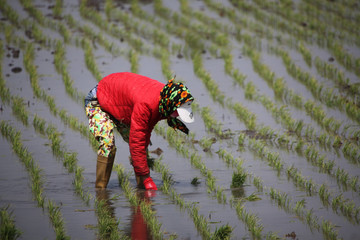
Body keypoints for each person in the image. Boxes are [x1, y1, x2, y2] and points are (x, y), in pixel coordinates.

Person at [84, 72, 194, 190]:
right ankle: (100, 192)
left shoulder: (166, 99)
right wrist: (146, 177)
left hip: (121, 106)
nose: (177, 116)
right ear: (171, 104)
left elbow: (146, 131)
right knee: (108, 144)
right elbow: (136, 141)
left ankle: (142, 190)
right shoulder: (146, 104)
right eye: (177, 111)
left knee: (143, 145)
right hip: (100, 100)